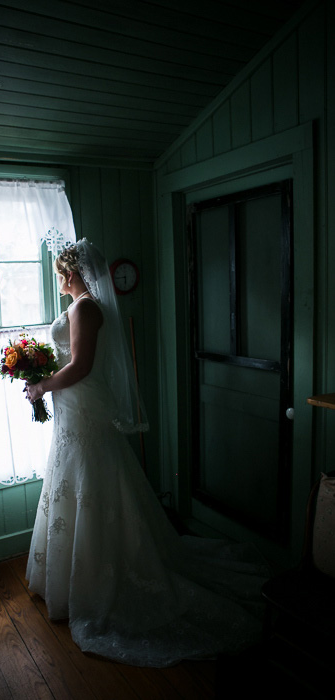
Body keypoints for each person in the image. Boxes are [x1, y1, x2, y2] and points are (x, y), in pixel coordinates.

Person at [25, 238, 270, 667]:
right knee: (74, 481)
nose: (59, 279)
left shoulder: (85, 308)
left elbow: (81, 365)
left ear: (71, 272)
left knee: (90, 479)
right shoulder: (80, 306)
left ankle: (101, 579)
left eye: (61, 271)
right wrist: (40, 371)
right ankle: (67, 578)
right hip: (73, 410)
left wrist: (43, 384)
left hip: (82, 409)